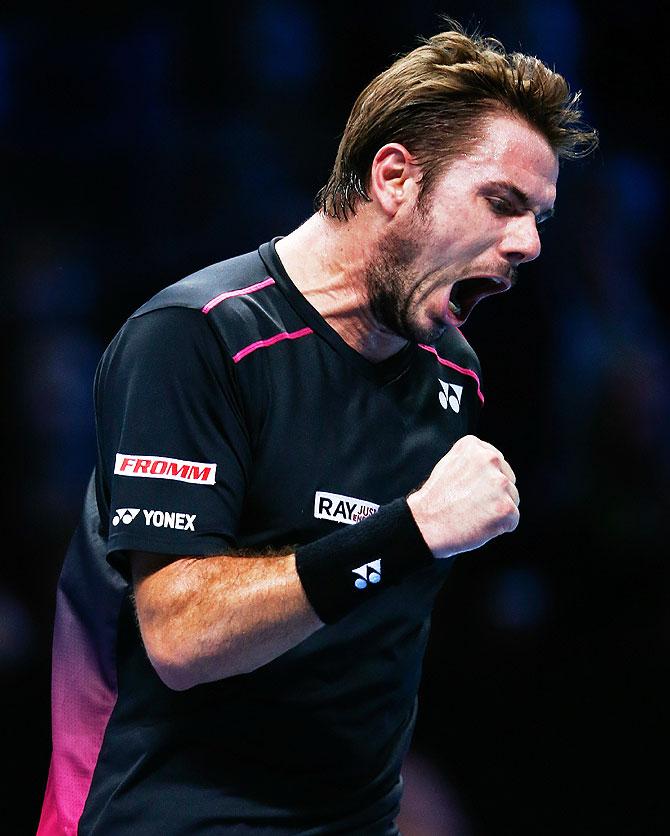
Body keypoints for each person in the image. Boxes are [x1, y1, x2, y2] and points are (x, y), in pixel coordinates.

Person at [37, 20, 597, 835]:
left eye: (538, 217)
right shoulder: (197, 336)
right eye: (502, 202)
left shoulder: (455, 372)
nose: (528, 243)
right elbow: (182, 634)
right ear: (396, 176)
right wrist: (406, 533)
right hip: (163, 814)